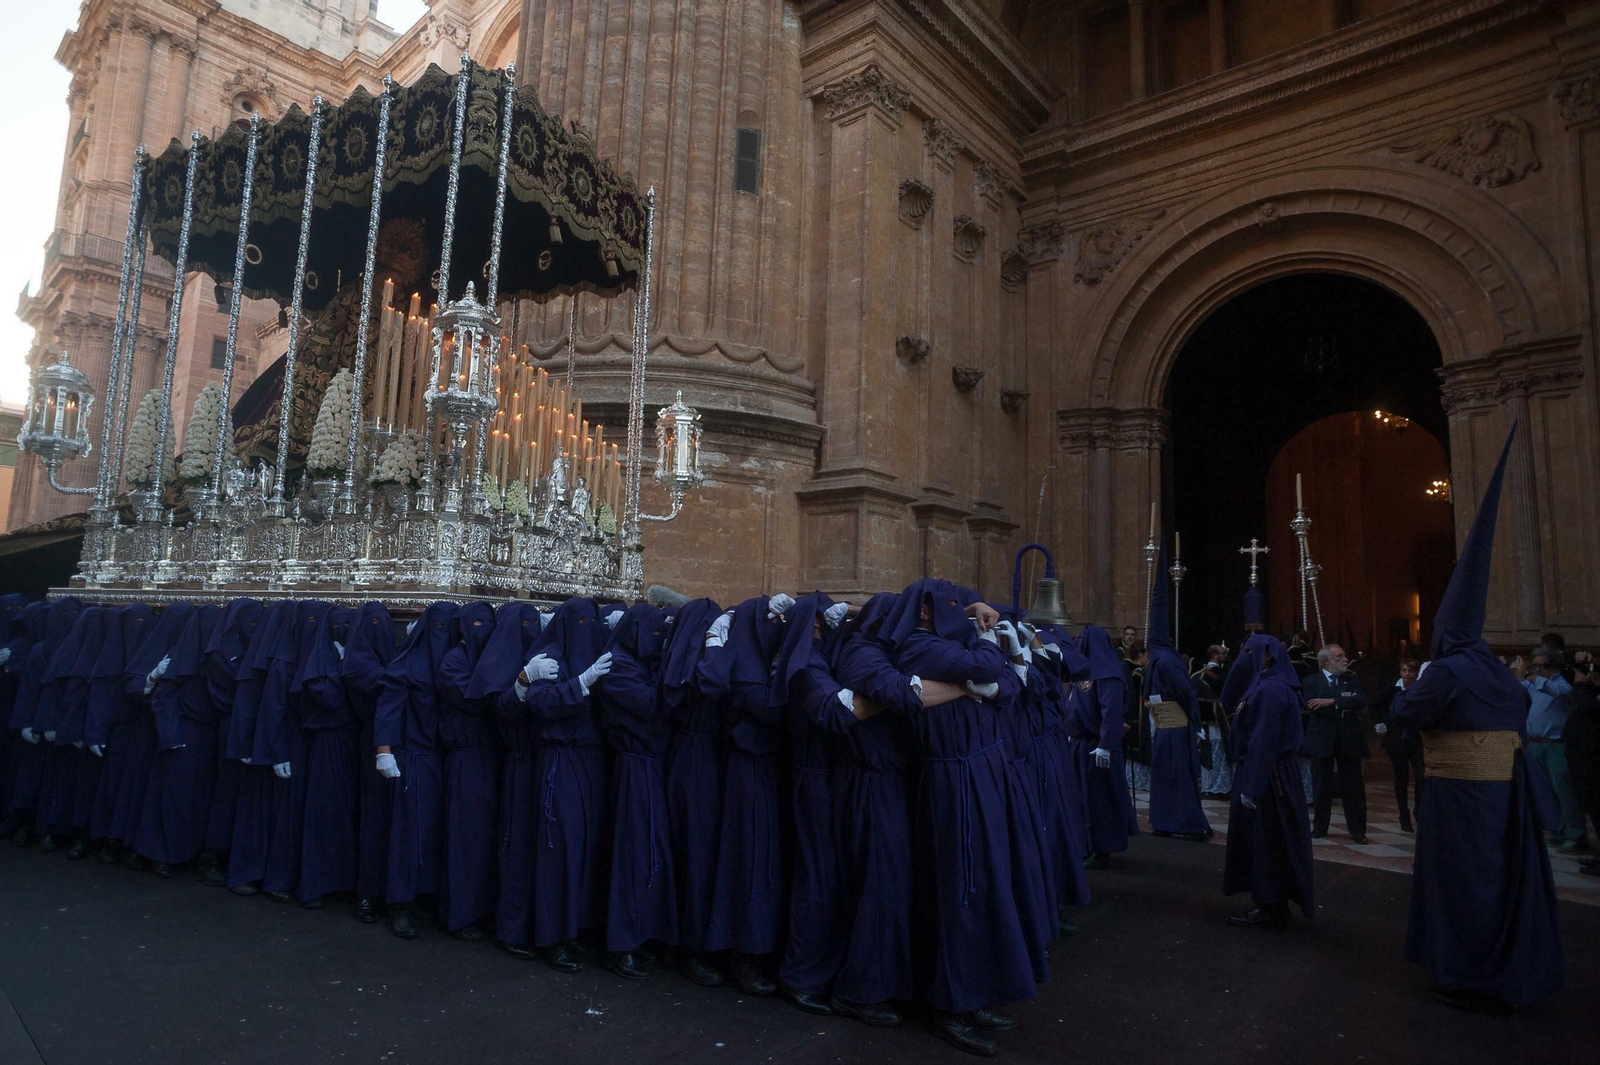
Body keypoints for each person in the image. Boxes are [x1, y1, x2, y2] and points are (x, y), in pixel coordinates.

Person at [1391, 424, 1563, 1012]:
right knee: (1502, 876)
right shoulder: (1498, 671)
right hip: (1503, 791)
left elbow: (1407, 712)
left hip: (1460, 794)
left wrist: (1414, 684)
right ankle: (1507, 965)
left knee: (1464, 881)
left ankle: (1471, 973)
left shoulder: (1446, 670)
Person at [880, 579, 1037, 1057]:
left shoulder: (947, 646)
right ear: (926, 611)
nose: (960, 612)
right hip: (954, 779)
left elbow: (1007, 687)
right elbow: (990, 667)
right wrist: (985, 646)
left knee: (985, 885)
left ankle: (976, 993)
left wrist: (984, 671)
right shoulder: (919, 646)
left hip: (979, 772)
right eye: (951, 605)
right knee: (959, 889)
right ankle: (951, 1005)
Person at [700, 594, 790, 996]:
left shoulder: (757, 665)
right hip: (746, 773)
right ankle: (740, 951)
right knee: (748, 858)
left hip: (763, 770)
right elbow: (769, 708)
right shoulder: (743, 671)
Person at [517, 597, 611, 970]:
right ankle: (552, 935)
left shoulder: (602, 654)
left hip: (593, 760)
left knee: (588, 845)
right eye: (580, 622)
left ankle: (577, 928)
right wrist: (581, 684)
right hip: (562, 758)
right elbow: (539, 703)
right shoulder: (550, 658)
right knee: (560, 847)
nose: (587, 629)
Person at [592, 602, 677, 980]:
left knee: (651, 852)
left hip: (651, 765)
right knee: (632, 854)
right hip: (633, 766)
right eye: (654, 633)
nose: (658, 641)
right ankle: (621, 943)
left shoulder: (640, 663)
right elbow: (649, 704)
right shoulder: (618, 665)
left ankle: (643, 933)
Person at [373, 600, 459, 937]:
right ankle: (400, 903)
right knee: (410, 834)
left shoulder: (456, 662)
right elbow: (389, 707)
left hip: (445, 757)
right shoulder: (409, 662)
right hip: (414, 758)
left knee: (438, 833)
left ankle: (427, 897)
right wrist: (384, 750)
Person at [1221, 634, 1315, 929]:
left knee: (1267, 840)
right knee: (1271, 838)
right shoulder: (1268, 686)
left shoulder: (1271, 690)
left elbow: (1263, 740)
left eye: (1250, 653)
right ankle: (1273, 902)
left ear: (1267, 657)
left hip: (1268, 777)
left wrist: (1252, 785)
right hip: (1270, 773)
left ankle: (1270, 904)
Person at [659, 597, 726, 987]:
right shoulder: (694, 664)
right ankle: (689, 947)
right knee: (696, 854)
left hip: (695, 758)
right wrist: (715, 644)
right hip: (696, 762)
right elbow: (712, 682)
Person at [133, 605, 222, 876]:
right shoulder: (179, 655)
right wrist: (170, 736)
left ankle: (187, 852)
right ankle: (161, 854)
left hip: (207, 735)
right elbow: (163, 698)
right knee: (175, 796)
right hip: (184, 735)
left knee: (199, 799)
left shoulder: (217, 655)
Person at [434, 601, 502, 939]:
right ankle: (460, 914)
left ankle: (483, 909)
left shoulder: (489, 658)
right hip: (466, 757)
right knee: (465, 837)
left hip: (492, 756)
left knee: (488, 839)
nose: (482, 630)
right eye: (476, 624)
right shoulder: (454, 660)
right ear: (462, 627)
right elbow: (470, 697)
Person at [292, 605, 361, 908]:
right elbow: (326, 697)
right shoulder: (320, 657)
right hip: (327, 743)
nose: (341, 631)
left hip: (352, 743)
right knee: (325, 812)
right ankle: (317, 883)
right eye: (336, 626)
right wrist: (343, 669)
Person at [1142, 543, 1211, 842]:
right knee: (1172, 776)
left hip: (1172, 727)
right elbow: (1184, 692)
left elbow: (1183, 692)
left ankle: (1179, 821)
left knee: (1174, 776)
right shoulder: (1165, 659)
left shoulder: (1164, 660)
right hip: (1169, 728)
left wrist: (1191, 720)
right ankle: (1173, 821)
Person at [199, 598, 264, 886]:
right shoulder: (222, 652)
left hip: (252, 725)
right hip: (233, 727)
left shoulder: (252, 647)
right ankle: (215, 855)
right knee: (227, 794)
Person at [340, 602, 396, 922]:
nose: (382, 628)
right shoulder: (357, 662)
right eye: (375, 622)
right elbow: (377, 682)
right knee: (374, 818)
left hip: (400, 741)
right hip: (372, 743)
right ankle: (369, 891)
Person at [1069, 624, 1139, 869]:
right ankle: (1084, 843)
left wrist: (1106, 744)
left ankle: (1102, 848)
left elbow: (1111, 712)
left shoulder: (1108, 674)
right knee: (1081, 798)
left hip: (1098, 747)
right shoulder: (1082, 673)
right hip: (1080, 743)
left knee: (1100, 801)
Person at [1515, 646, 1587, 854]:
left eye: (1543, 665)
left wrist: (1530, 676)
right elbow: (1518, 691)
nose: (1539, 669)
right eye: (1536, 665)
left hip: (1556, 745)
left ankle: (1575, 835)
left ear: (1554, 665)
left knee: (1564, 792)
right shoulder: (1536, 682)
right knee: (1547, 792)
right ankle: (1558, 829)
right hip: (1535, 743)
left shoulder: (1563, 682)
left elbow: (1558, 691)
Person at [1303, 643, 1369, 843]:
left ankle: (1358, 830)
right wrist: (1343, 705)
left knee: (1353, 787)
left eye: (1344, 655)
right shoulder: (1311, 681)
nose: (1345, 660)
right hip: (1322, 740)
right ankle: (1320, 827)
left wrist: (1332, 701)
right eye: (1339, 656)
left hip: (1349, 740)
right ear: (1327, 661)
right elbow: (1314, 706)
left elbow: (1360, 700)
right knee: (1321, 786)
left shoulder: (1352, 680)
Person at [1373, 660, 1425, 833]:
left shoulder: (1420, 688)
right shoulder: (1393, 690)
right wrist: (1380, 722)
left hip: (1416, 738)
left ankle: (1419, 809)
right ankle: (1404, 814)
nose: (1407, 673)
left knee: (1420, 776)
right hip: (1396, 739)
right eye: (1404, 670)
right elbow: (1375, 704)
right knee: (1401, 777)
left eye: (1411, 670)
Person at [1564, 650, 1599, 874]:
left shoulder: (1588, 694)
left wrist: (1583, 685)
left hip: (1594, 758)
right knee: (1593, 809)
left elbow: (1588, 710)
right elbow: (1567, 674)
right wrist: (1575, 662)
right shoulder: (1587, 689)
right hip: (1585, 757)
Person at [1192, 645, 1232, 796]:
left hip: (1207, 722)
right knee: (1217, 754)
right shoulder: (1217, 675)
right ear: (1215, 655)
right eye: (1223, 653)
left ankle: (1213, 786)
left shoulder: (1198, 674)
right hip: (1217, 722)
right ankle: (1217, 787)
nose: (1225, 656)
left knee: (1214, 754)